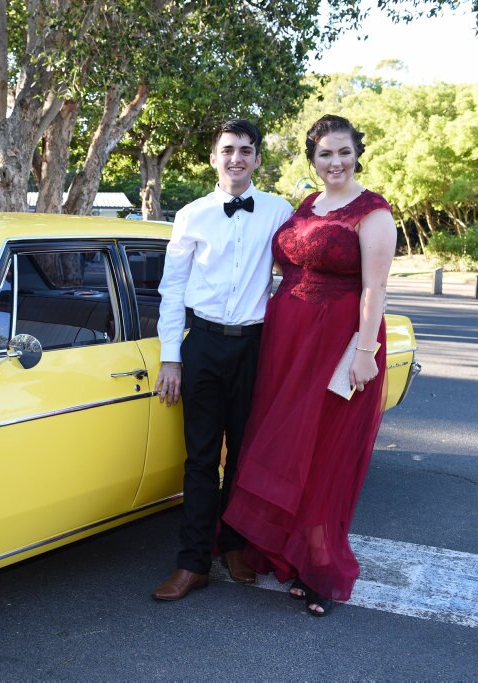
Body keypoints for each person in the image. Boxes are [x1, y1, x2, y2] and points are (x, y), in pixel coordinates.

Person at [221, 114, 397, 617]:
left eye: (343, 152)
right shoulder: (308, 206)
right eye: (325, 154)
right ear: (312, 160)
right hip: (286, 339)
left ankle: (319, 569)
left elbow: (375, 288)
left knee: (321, 453)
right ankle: (282, 549)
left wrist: (366, 352)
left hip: (338, 340)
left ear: (357, 153)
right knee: (281, 445)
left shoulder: (373, 212)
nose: (335, 162)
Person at [151, 119, 294, 601]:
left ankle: (233, 546)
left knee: (246, 457)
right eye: (228, 149)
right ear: (214, 158)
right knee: (201, 458)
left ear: (257, 159)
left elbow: (299, 275)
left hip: (257, 346)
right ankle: (193, 563)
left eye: (246, 150)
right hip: (204, 346)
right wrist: (172, 359)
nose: (236, 158)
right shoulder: (191, 215)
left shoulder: (279, 211)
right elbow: (171, 290)